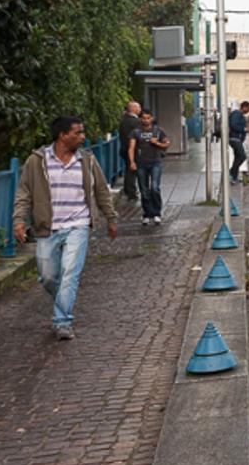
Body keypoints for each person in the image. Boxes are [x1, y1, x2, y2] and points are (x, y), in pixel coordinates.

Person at [12, 115, 118, 340]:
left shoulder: (87, 160)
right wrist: (19, 220)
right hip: (47, 228)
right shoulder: (37, 161)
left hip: (78, 225)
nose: (83, 137)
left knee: (70, 273)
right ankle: (64, 300)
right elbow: (24, 193)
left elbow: (101, 190)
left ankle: (62, 321)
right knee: (47, 276)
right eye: (77, 133)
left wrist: (111, 217)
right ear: (62, 135)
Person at [130, 111, 170, 224]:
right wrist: (132, 162)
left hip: (155, 162)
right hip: (141, 163)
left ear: (151, 119)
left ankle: (157, 212)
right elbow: (131, 147)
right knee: (144, 189)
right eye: (144, 118)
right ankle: (147, 213)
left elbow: (167, 144)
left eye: (148, 118)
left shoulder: (158, 131)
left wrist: (157, 143)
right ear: (140, 119)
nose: (146, 120)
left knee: (154, 187)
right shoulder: (136, 132)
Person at [117, 101, 142, 200]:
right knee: (132, 170)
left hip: (124, 149)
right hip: (133, 149)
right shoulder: (136, 122)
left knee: (128, 169)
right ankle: (131, 191)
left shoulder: (123, 121)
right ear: (134, 109)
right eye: (139, 107)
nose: (140, 109)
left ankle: (128, 189)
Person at [229, 101, 249, 184]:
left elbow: (240, 126)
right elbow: (233, 125)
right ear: (244, 107)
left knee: (237, 157)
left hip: (238, 139)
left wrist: (246, 129)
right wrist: (244, 129)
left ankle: (234, 177)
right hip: (234, 138)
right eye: (248, 108)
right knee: (242, 156)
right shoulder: (236, 114)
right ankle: (231, 172)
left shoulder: (241, 115)